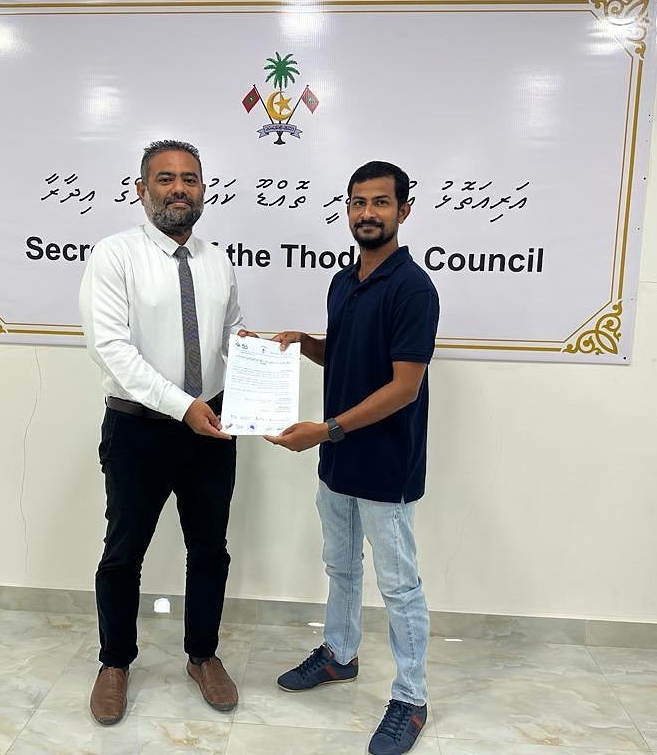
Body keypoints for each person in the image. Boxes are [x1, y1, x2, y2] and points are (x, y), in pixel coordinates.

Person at [263, 161, 439, 755]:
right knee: (340, 566)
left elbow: (404, 388)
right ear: (347, 209)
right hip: (338, 460)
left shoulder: (414, 289)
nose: (368, 213)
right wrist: (303, 344)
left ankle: (411, 699)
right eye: (359, 202)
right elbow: (343, 355)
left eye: (381, 202)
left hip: (386, 463)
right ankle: (340, 654)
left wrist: (327, 429)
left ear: (403, 210)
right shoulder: (343, 281)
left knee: (400, 586)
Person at [79, 140, 244, 725]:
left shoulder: (218, 260)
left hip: (211, 427)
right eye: (166, 178)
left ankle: (203, 655)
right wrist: (181, 406)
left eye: (190, 179)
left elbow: (231, 334)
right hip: (138, 430)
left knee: (210, 549)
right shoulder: (115, 254)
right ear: (142, 189)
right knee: (123, 552)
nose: (179, 188)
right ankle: (114, 662)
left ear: (203, 189)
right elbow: (111, 348)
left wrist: (259, 367)